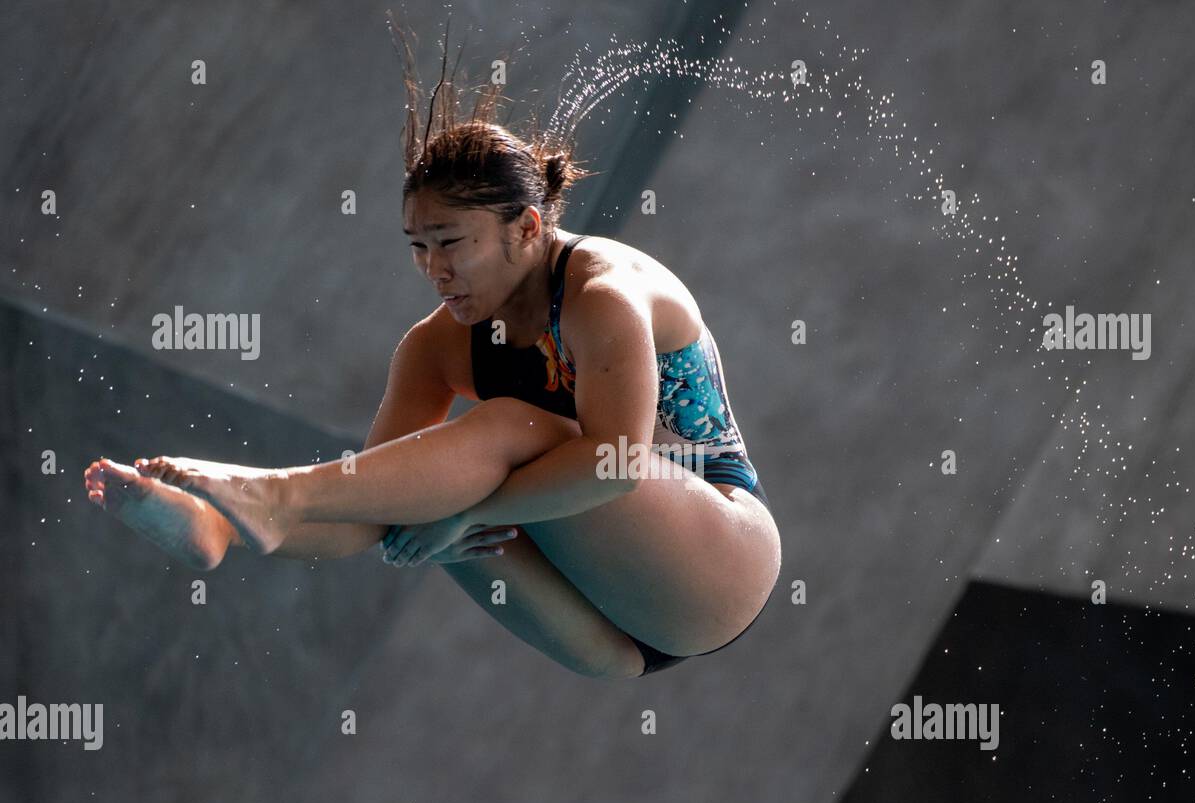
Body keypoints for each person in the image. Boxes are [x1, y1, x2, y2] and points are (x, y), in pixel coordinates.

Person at [83, 64, 780, 681]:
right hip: (606, 641)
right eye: (418, 247)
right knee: (412, 493)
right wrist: (233, 520)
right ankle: (223, 528)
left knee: (509, 430)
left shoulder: (603, 295)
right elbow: (375, 510)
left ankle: (272, 495)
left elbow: (619, 462)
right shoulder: (435, 347)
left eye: (450, 243)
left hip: (715, 564)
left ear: (528, 228)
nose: (434, 270)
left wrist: (470, 514)